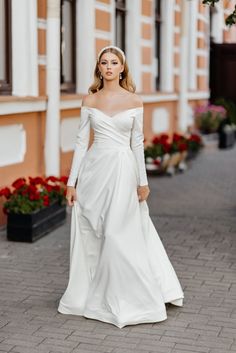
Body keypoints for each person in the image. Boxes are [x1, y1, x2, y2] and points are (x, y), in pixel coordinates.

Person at [57, 45, 184, 328]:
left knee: (117, 233)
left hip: (124, 171)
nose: (110, 67)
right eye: (105, 62)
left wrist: (143, 181)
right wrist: (71, 182)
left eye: (115, 62)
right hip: (94, 172)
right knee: (98, 233)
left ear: (122, 68)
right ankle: (93, 292)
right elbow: (80, 143)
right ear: (99, 68)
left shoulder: (135, 101)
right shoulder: (89, 101)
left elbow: (137, 143)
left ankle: (126, 300)